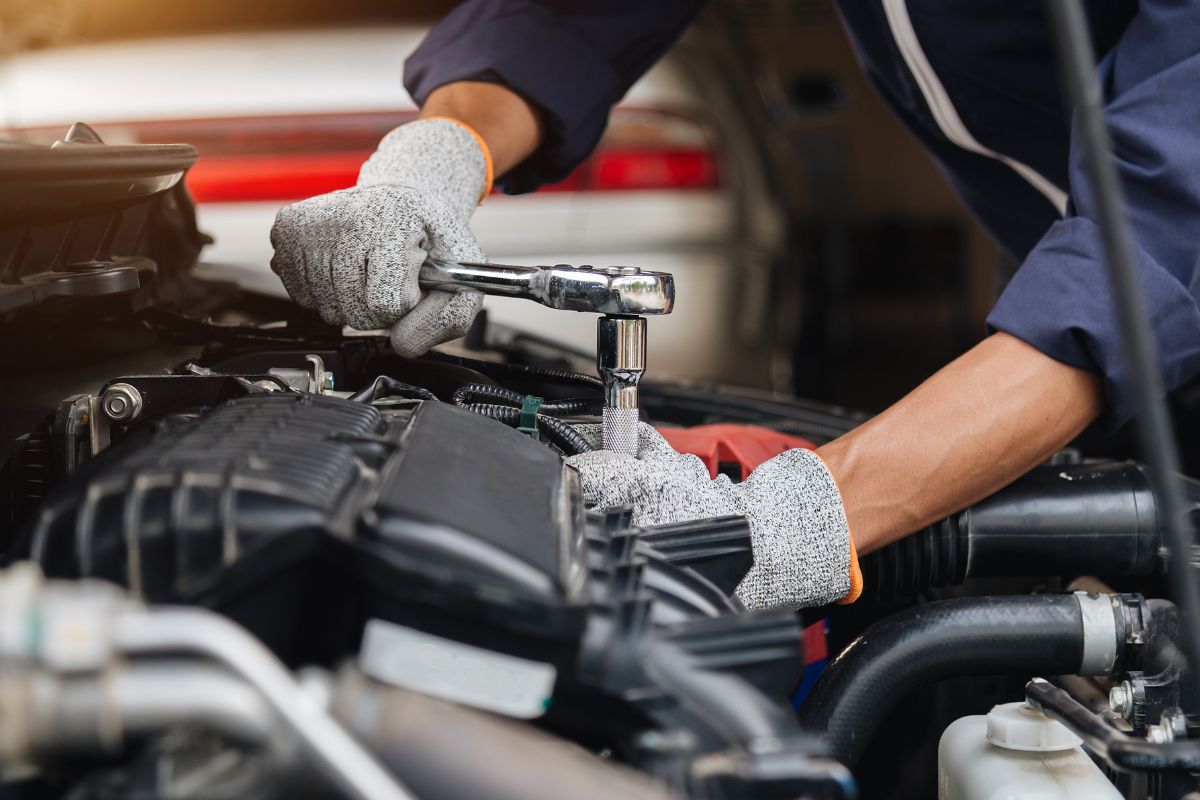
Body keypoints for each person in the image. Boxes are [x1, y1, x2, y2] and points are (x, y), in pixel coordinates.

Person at [269, 1, 1200, 610]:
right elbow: (560, 20)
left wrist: (796, 518)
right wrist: (437, 157)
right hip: (1082, 301)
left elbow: (1160, 242)